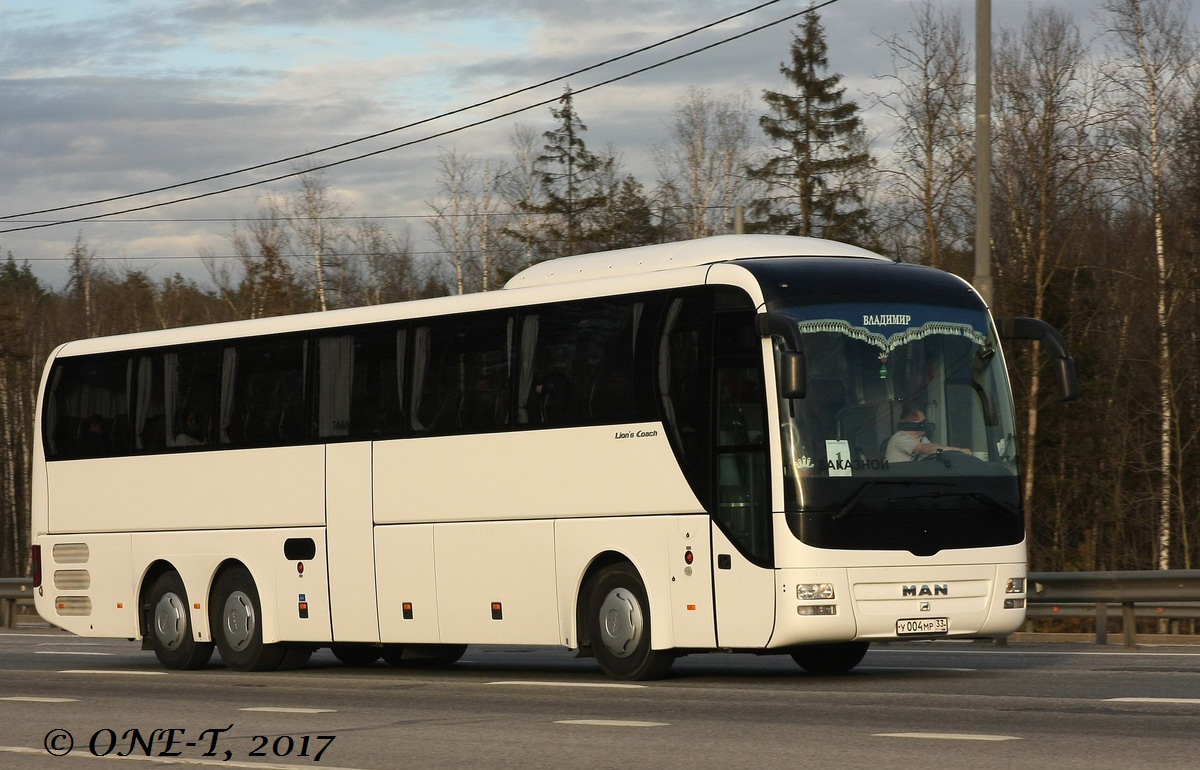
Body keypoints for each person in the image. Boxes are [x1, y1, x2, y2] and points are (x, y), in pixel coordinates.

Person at [885, 406, 971, 462]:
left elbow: (933, 451)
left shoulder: (922, 439)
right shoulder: (900, 438)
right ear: (913, 423)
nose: (925, 424)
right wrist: (959, 451)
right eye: (923, 422)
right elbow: (925, 448)